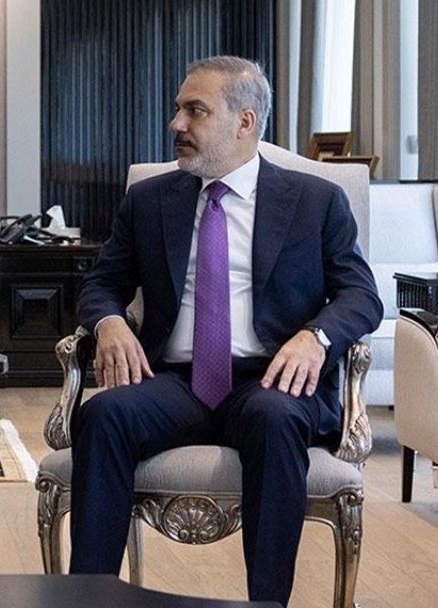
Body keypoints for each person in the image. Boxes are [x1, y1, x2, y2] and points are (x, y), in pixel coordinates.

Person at [70, 56, 382, 606]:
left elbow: (361, 296)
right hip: (174, 381)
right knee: (103, 415)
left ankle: (266, 603)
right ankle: (86, 601)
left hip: (271, 380)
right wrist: (110, 321)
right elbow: (102, 283)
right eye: (178, 110)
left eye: (195, 111)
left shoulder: (315, 202)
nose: (176, 124)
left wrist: (315, 337)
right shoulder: (149, 200)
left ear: (245, 121)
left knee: (276, 419)